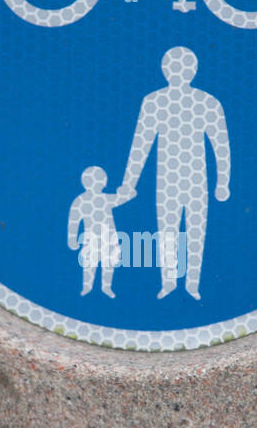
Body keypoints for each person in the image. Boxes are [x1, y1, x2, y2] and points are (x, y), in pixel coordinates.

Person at [116, 46, 230, 298]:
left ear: (192, 70)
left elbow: (221, 145)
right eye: (174, 67)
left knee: (195, 231)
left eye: (183, 67)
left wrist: (223, 182)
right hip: (166, 178)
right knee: (167, 232)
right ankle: (168, 282)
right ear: (165, 70)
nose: (178, 72)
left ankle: (193, 284)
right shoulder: (154, 102)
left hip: (197, 179)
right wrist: (129, 182)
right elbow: (141, 144)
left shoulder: (207, 103)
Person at [67, 166, 122, 297]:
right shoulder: (80, 201)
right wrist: (72, 239)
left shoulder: (106, 198)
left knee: (108, 263)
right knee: (89, 264)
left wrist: (128, 193)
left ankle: (106, 288)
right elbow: (74, 221)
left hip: (109, 238)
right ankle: (87, 287)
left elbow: (120, 198)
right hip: (91, 238)